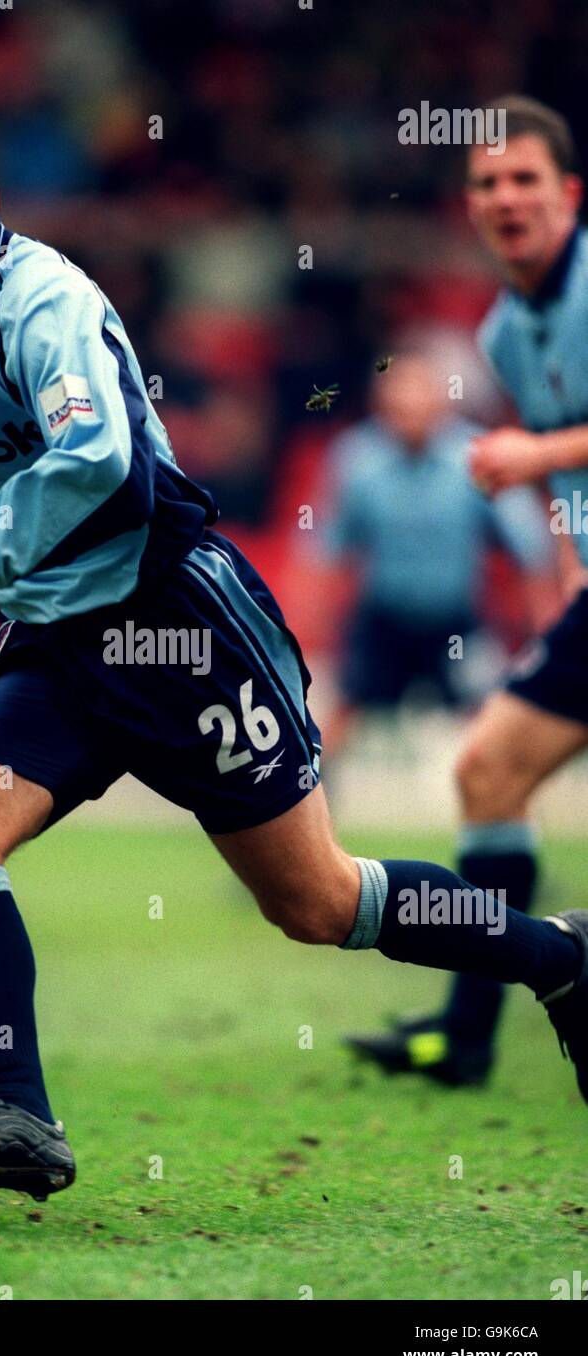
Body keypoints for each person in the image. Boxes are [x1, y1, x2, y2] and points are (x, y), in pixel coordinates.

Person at [0, 99, 588, 1204]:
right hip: (54, 642)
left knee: (319, 905)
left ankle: (556, 956)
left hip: (175, 630)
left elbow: (108, 467)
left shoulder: (42, 301)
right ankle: (23, 1118)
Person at [347, 95, 588, 1087]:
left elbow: (553, 454)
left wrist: (533, 452)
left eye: (523, 177)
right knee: (487, 770)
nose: (503, 196)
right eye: (485, 182)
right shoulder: (499, 331)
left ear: (567, 193)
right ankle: (472, 1033)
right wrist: (569, 564)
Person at [325, 351, 551, 758]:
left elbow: (530, 548)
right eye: (398, 398)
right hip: (382, 620)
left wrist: (545, 628)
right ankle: (308, 802)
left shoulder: (476, 456)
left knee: (490, 723)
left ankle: (504, 807)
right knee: (337, 720)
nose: (409, 409)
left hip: (456, 623)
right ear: (381, 403)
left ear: (441, 400)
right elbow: (327, 551)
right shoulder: (355, 459)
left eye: (418, 395)